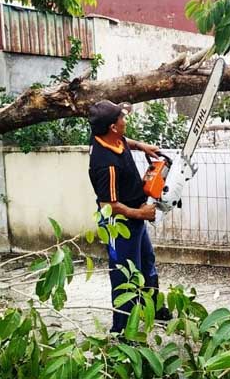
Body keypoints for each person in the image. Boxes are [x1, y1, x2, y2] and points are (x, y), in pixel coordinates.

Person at [87, 100, 171, 334]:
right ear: (113, 127)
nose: (125, 121)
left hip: (135, 217)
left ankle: (153, 306)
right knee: (125, 273)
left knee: (146, 260)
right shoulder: (105, 165)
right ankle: (123, 329)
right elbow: (108, 205)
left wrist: (142, 146)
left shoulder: (107, 135)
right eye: (122, 119)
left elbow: (125, 142)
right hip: (119, 223)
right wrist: (141, 213)